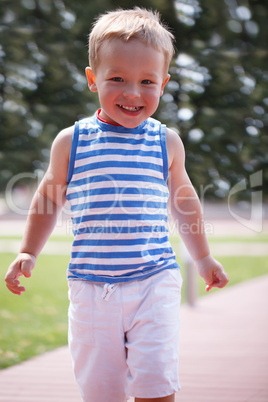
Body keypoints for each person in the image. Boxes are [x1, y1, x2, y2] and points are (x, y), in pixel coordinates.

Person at [5, 7, 229, 402]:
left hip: (153, 281)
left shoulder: (167, 142)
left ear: (163, 83)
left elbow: (185, 203)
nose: (132, 92)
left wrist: (204, 257)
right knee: (100, 390)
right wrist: (28, 250)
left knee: (156, 383)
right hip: (92, 287)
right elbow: (46, 199)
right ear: (93, 79)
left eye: (147, 81)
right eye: (117, 79)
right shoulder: (71, 142)